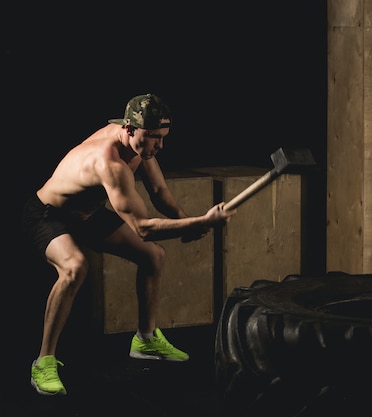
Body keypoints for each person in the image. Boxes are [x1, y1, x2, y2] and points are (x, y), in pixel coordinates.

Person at [21, 93, 237, 396]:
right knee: (75, 267)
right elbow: (143, 228)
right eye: (152, 138)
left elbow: (160, 191)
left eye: (162, 137)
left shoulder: (140, 147)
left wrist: (185, 220)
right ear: (129, 128)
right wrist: (201, 222)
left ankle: (145, 340)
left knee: (153, 257)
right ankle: (43, 361)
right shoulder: (109, 163)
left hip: (87, 214)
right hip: (48, 215)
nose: (159, 146)